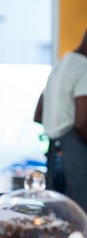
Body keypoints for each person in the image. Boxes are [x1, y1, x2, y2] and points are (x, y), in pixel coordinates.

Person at [34, 29, 87, 212]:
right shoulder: (84, 67)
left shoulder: (60, 65)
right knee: (79, 215)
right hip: (73, 152)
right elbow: (82, 122)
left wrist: (56, 122)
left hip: (53, 153)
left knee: (55, 215)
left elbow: (38, 114)